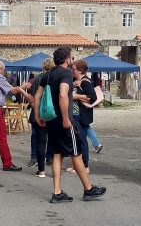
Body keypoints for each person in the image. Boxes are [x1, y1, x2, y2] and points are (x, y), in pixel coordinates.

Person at [33, 46, 106, 203]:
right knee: (76, 153)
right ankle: (88, 189)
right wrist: (66, 118)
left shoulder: (48, 73)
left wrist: (38, 115)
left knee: (56, 154)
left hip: (51, 120)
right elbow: (62, 94)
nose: (72, 60)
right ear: (67, 59)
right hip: (64, 121)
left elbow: (38, 95)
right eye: (72, 58)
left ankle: (57, 192)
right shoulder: (66, 73)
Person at [0, 60, 34, 172]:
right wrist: (22, 87)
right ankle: (7, 163)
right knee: (1, 137)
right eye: (3, 70)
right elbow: (12, 91)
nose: (3, 72)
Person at [67, 59, 98, 174]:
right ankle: (76, 165)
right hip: (74, 115)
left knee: (81, 141)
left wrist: (76, 97)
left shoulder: (86, 82)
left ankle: (84, 166)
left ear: (79, 70)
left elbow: (92, 97)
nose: (72, 71)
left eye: (74, 69)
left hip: (80, 116)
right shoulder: (76, 81)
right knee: (75, 141)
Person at [27, 60, 55, 174]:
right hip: (52, 113)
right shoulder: (57, 78)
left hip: (38, 112)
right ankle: (51, 161)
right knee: (53, 141)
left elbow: (32, 96)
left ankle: (39, 166)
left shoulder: (38, 78)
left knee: (39, 140)